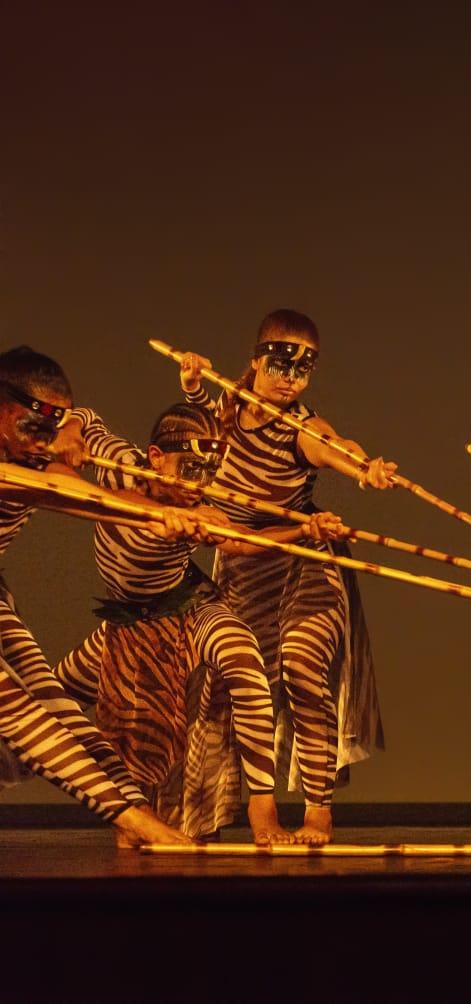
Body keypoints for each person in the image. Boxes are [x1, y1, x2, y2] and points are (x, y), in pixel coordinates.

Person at [56, 402, 348, 843]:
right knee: (45, 701)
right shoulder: (117, 464)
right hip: (127, 628)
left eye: (209, 470)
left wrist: (305, 531)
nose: (200, 483)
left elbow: (244, 544)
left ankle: (263, 809)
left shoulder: (203, 509)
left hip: (187, 609)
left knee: (242, 656)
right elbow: (85, 417)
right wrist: (71, 432)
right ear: (156, 458)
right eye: (190, 468)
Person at [179, 309, 393, 844]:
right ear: (254, 362)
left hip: (306, 557)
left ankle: (318, 811)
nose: (290, 380)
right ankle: (261, 811)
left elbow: (331, 443)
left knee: (302, 666)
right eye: (280, 366)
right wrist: (190, 385)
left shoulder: (299, 426)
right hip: (245, 565)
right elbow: (203, 423)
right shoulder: (226, 406)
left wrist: (362, 468)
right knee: (246, 686)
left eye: (302, 371)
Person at [0, 345, 190, 846]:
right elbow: (73, 495)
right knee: (11, 704)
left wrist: (161, 509)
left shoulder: (38, 445)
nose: (41, 444)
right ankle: (133, 820)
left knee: (52, 698)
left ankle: (133, 809)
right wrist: (148, 513)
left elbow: (88, 471)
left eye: (49, 431)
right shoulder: (21, 467)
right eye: (31, 429)